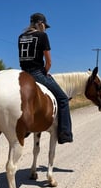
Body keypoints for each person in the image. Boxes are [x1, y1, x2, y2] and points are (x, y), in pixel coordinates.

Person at [18, 12, 73, 144]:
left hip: (23, 74)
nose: (45, 28)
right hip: (37, 73)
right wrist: (44, 72)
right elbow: (48, 62)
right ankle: (65, 133)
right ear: (40, 24)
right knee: (63, 99)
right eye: (44, 26)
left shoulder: (21, 37)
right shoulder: (42, 35)